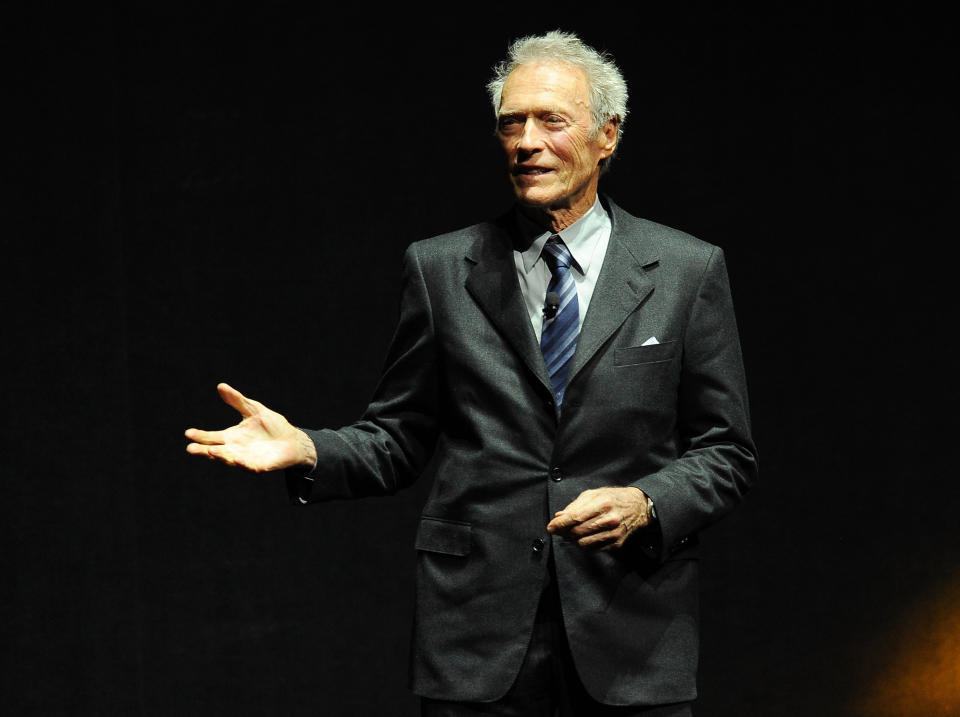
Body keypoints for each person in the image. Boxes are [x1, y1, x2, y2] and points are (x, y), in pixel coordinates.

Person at [185, 30, 757, 717]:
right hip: (478, 637)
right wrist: (309, 447)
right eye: (511, 122)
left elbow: (725, 450)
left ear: (608, 135)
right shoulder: (440, 269)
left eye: (551, 120)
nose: (526, 141)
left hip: (630, 629)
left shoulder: (687, 269)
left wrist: (647, 503)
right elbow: (398, 437)